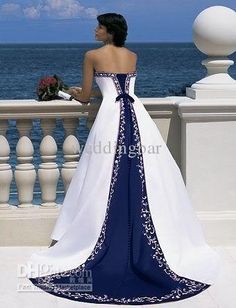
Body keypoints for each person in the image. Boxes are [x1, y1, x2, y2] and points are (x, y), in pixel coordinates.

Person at [26, 13, 222, 305]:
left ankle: (87, 235)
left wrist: (64, 93)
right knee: (148, 174)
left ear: (109, 32)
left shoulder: (92, 55)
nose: (95, 30)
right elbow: (125, 90)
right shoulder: (132, 55)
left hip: (110, 118)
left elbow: (87, 97)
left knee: (99, 176)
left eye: (99, 27)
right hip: (136, 116)